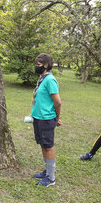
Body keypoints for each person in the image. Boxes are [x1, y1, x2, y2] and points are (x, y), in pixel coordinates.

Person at [31, 53, 62, 187]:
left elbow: (58, 102)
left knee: (48, 146)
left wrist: (56, 118)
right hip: (38, 117)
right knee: (43, 145)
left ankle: (51, 178)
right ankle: (47, 170)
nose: (36, 67)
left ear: (46, 65)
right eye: (36, 65)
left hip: (46, 119)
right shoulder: (42, 78)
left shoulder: (50, 80)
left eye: (39, 65)